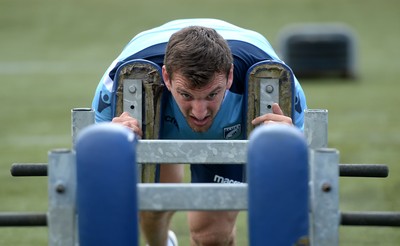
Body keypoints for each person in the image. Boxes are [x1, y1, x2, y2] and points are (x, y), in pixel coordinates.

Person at [92, 18, 307, 246]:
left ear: (230, 75)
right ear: (166, 77)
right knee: (151, 206)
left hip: (227, 129)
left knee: (211, 236)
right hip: (157, 114)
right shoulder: (119, 82)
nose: (200, 111)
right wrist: (111, 141)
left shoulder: (277, 80)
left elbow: (298, 175)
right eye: (186, 95)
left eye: (212, 94)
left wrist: (288, 142)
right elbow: (100, 173)